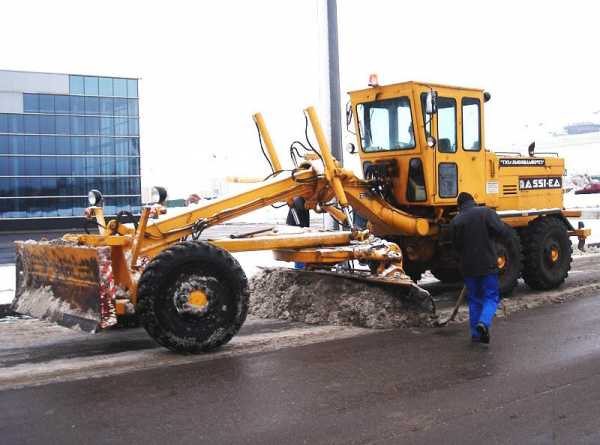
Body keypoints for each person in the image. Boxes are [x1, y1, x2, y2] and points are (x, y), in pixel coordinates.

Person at [451, 192, 511, 344]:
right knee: (491, 297)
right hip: (487, 264)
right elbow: (502, 231)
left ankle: (476, 335)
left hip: (468, 268)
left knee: (474, 300)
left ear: (459, 206)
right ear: (473, 201)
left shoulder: (456, 220)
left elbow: (455, 246)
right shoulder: (486, 213)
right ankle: (483, 323)